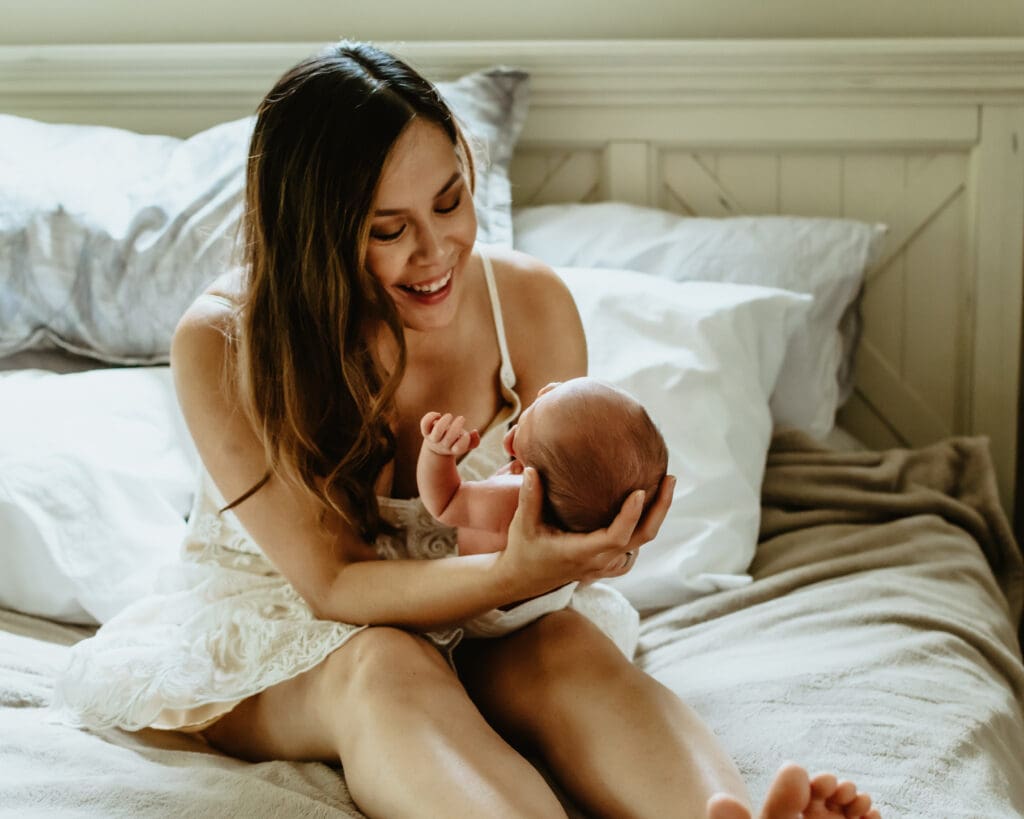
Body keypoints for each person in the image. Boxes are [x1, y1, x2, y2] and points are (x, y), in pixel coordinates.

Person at [51, 40, 881, 819]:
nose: (436, 249)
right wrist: (516, 568)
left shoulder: (529, 305)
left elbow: (549, 521)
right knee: (383, 662)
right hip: (298, 627)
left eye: (450, 201)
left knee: (566, 647)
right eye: (388, 229)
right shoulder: (227, 342)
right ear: (315, 238)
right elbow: (335, 585)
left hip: (498, 614)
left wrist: (597, 535)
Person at [416, 377, 665, 654]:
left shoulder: (513, 498)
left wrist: (436, 453)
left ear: (513, 446)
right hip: (546, 607)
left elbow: (445, 503)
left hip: (485, 617)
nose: (547, 387)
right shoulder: (583, 510)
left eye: (532, 410)